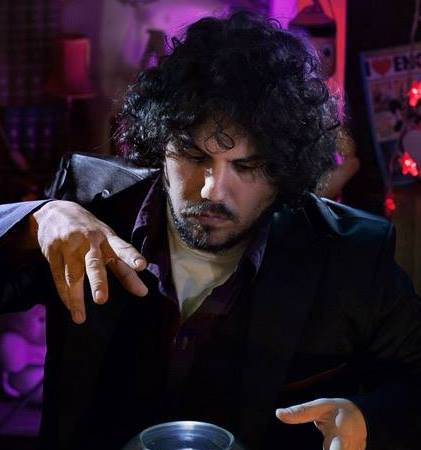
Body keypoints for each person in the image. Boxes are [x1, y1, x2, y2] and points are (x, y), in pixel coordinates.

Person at [0, 11, 420, 450]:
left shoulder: (349, 256)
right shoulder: (91, 205)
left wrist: (369, 419)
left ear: (283, 169)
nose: (212, 189)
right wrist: (34, 221)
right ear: (160, 143)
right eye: (193, 156)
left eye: (246, 165)